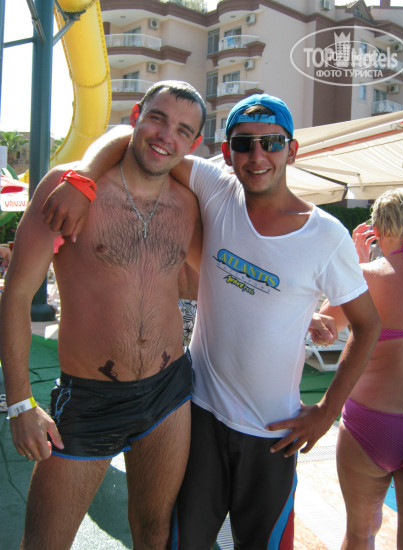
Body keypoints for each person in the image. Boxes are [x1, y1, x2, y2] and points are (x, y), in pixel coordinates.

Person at [41, 93, 380, 549]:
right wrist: (82, 178)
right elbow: (134, 136)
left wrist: (326, 411)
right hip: (199, 416)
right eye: (243, 144)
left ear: (292, 150)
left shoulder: (326, 235)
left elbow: (368, 325)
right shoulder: (216, 189)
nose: (257, 156)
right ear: (226, 151)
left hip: (271, 433)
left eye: (271, 143)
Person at [0, 81, 207, 550]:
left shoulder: (188, 203)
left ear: (193, 144)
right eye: (157, 118)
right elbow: (16, 295)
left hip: (169, 392)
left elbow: (195, 280)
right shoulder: (69, 187)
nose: (166, 136)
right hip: (90, 398)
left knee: (154, 531)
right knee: (45, 543)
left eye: (182, 130)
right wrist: (19, 403)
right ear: (135, 117)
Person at [320, 188, 403, 550]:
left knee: (361, 533)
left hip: (372, 420)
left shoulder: (365, 276)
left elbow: (324, 330)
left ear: (376, 228)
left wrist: (354, 265)